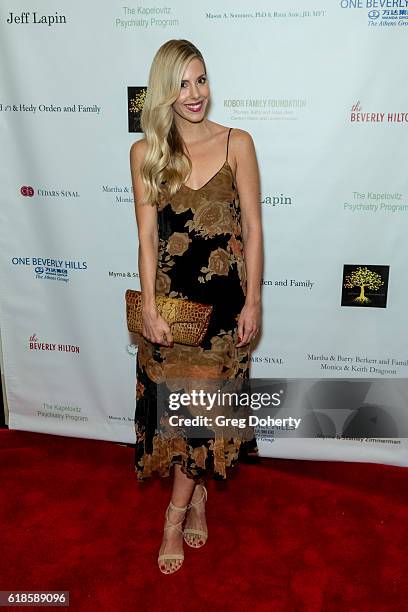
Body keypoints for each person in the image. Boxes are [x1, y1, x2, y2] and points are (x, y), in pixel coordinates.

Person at [129, 39, 263, 575]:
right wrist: (150, 310)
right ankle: (194, 497)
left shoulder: (238, 143)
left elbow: (252, 228)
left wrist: (254, 300)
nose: (195, 94)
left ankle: (175, 512)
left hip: (224, 312)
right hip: (172, 310)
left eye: (201, 80)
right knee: (176, 417)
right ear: (164, 90)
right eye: (182, 83)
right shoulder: (146, 154)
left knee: (203, 417)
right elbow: (145, 240)